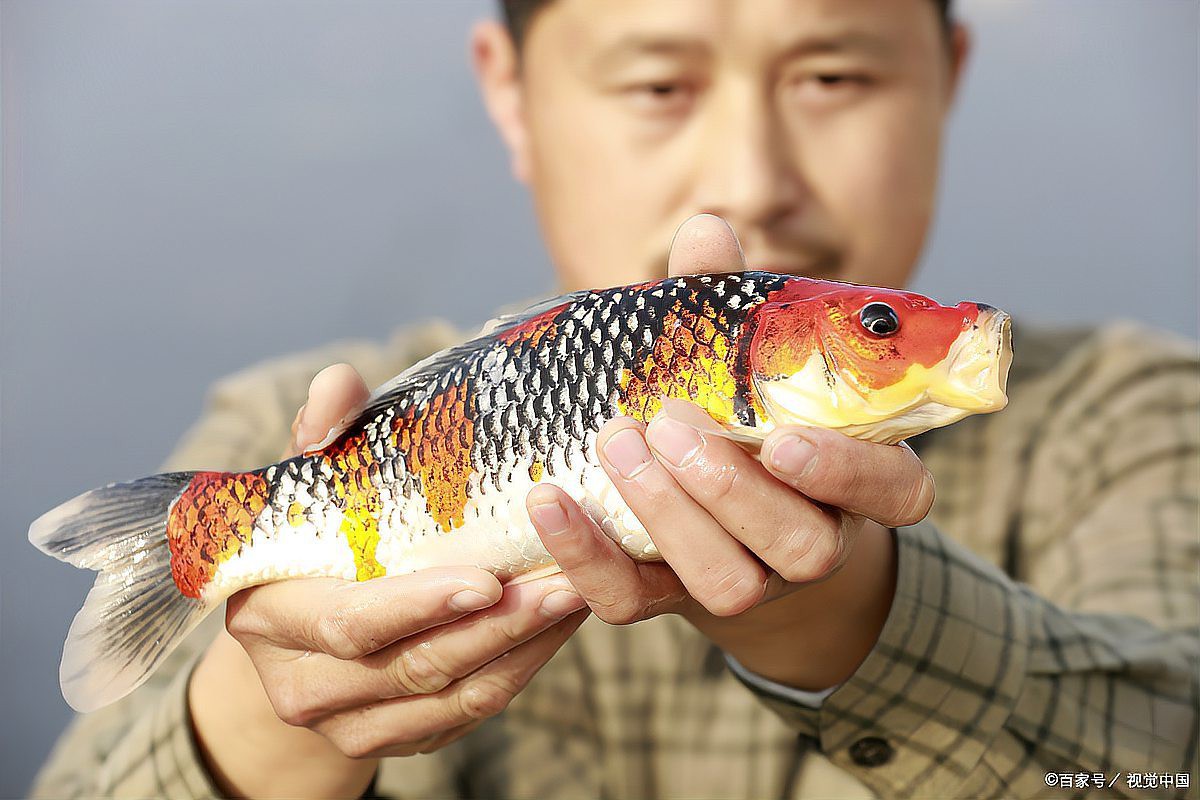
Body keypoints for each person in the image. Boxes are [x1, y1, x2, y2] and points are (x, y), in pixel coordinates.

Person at [32, 1, 1198, 798]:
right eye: (657, 83)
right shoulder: (287, 420)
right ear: (510, 92)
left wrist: (841, 614)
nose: (748, 178)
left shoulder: (1136, 418)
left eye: (834, 75)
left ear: (948, 77)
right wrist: (265, 716)